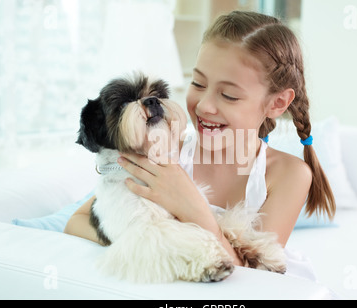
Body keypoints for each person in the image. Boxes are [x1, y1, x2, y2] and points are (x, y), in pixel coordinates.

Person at [65, 11, 335, 272]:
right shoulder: (164, 151)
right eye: (197, 84)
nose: (205, 106)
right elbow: (77, 222)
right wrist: (140, 240)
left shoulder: (289, 174)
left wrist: (191, 207)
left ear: (277, 103)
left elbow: (255, 279)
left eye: (228, 95)